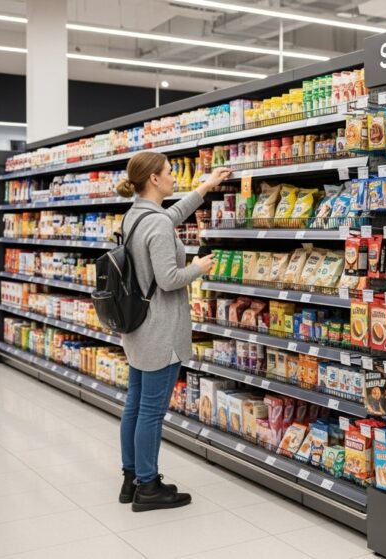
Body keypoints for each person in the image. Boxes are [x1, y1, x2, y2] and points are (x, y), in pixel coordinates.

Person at [113, 151, 230, 512]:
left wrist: (204, 189)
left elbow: (168, 218)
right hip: (160, 330)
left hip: (137, 328)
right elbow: (169, 279)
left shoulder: (135, 215)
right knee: (150, 411)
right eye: (168, 172)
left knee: (134, 404)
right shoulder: (157, 223)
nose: (173, 177)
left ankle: (131, 478)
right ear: (154, 179)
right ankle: (148, 487)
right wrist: (198, 266)